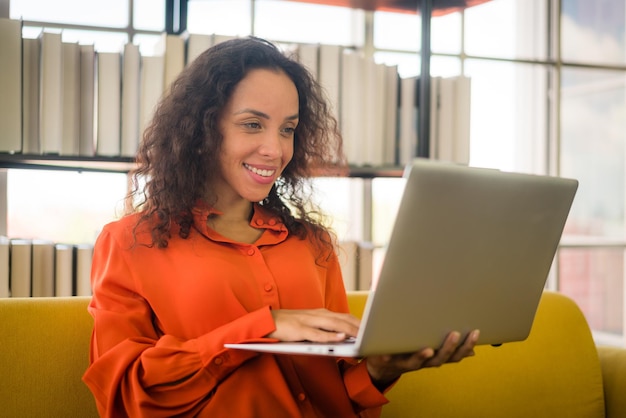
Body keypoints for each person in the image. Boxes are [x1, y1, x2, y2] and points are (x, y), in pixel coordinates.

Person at [82, 36, 479, 418]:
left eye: (287, 129)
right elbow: (125, 398)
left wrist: (383, 369)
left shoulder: (312, 243)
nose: (275, 150)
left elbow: (340, 389)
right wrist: (262, 329)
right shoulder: (131, 243)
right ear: (203, 129)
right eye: (253, 124)